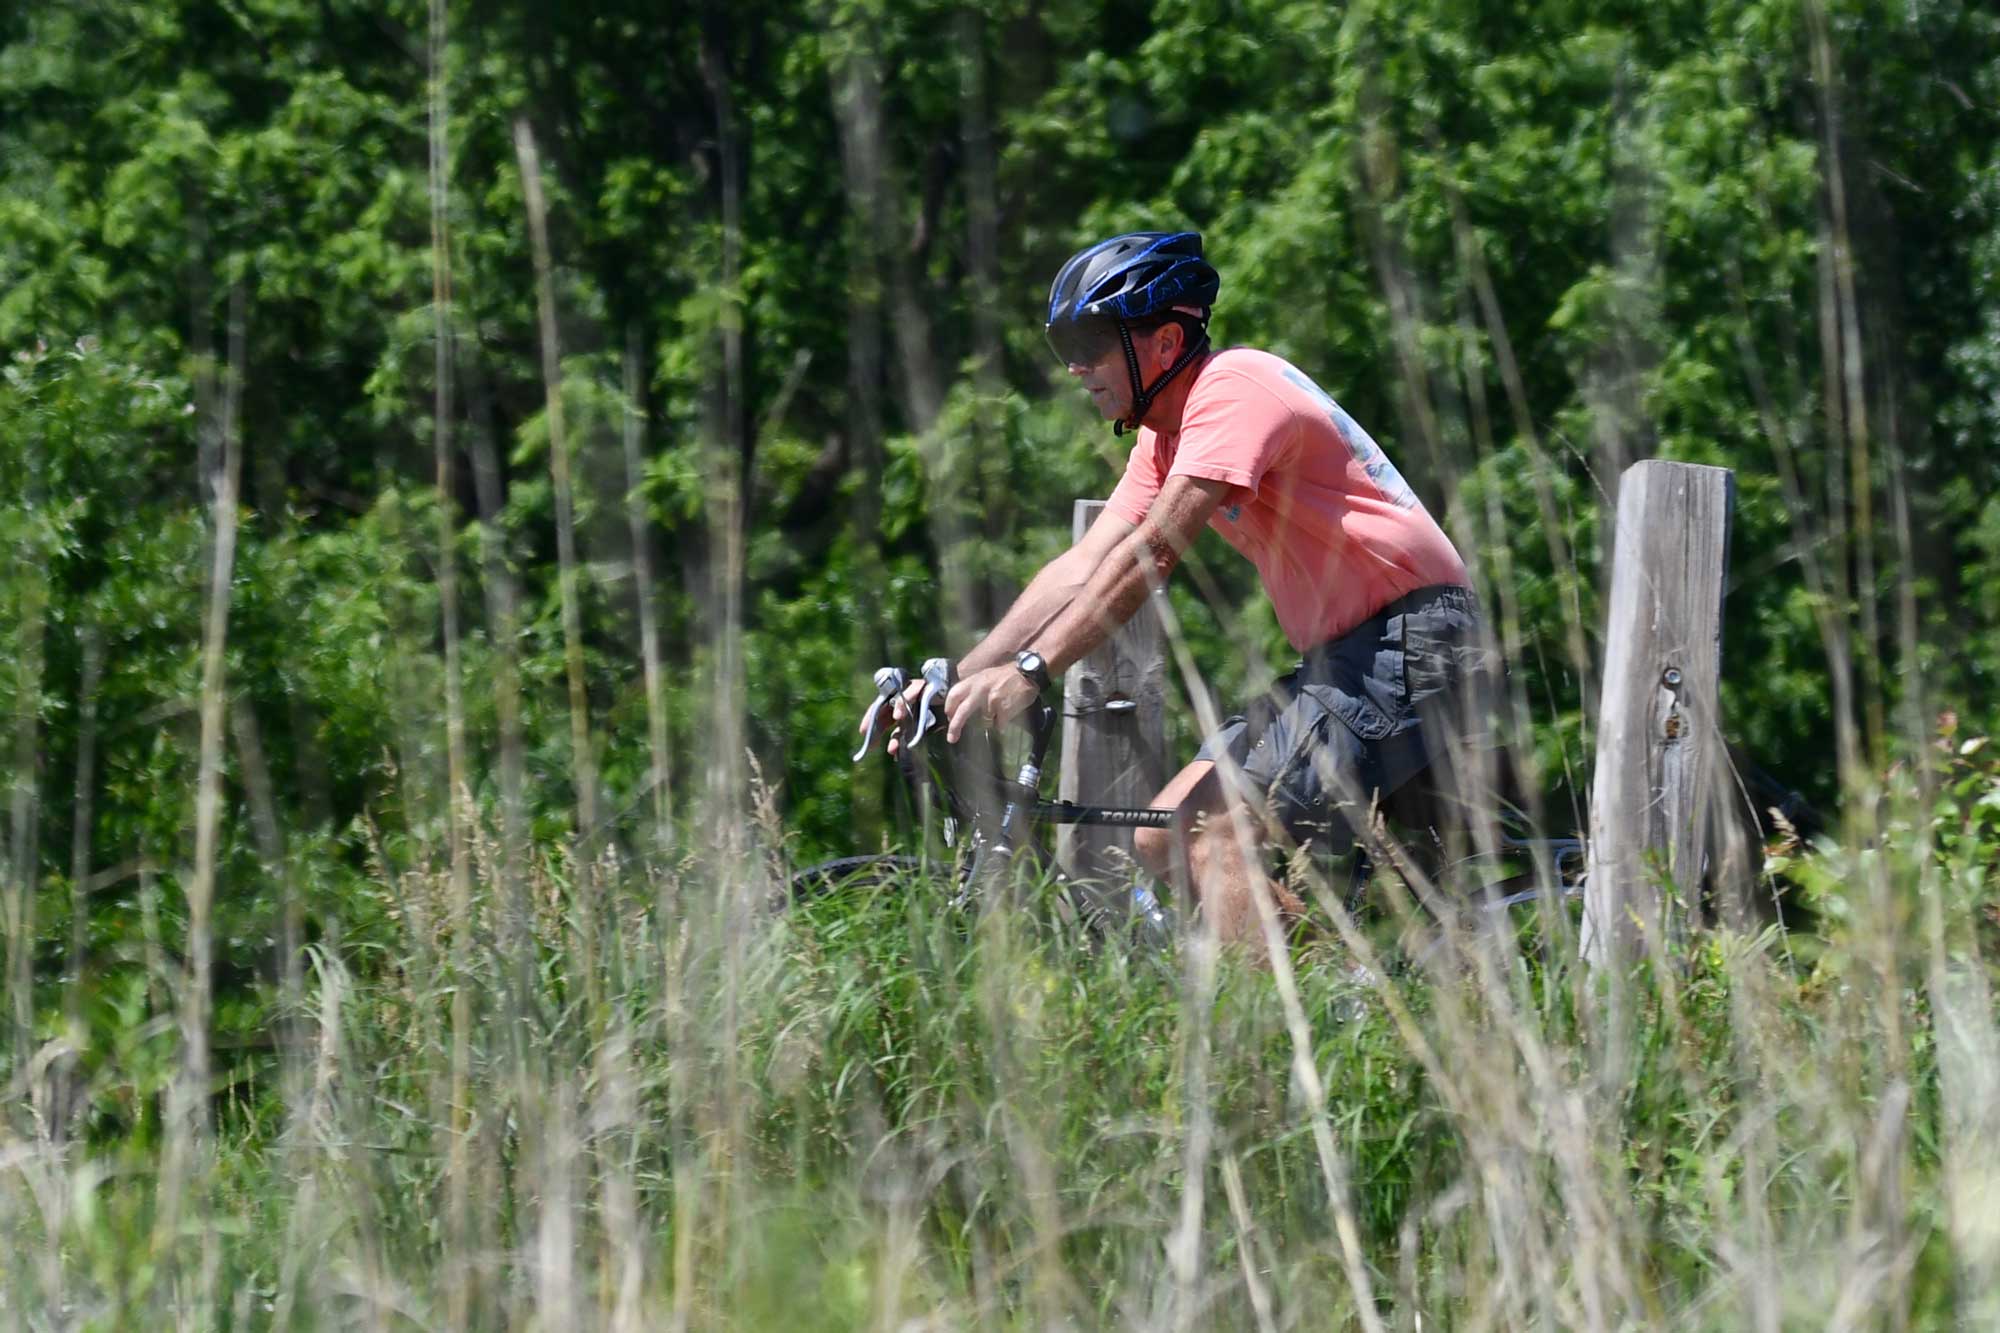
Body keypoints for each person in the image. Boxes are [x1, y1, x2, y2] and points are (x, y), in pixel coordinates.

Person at [903, 230, 1485, 950]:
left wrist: (1033, 669)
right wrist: (960, 675)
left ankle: (1282, 1039)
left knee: (1212, 834)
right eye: (1065, 349)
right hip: (1348, 657)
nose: (1076, 367)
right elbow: (1084, 563)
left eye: (1091, 342)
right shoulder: (1164, 436)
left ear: (1167, 343)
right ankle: (1349, 1000)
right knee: (1166, 835)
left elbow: (1151, 552)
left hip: (1412, 638)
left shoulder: (1234, 390)